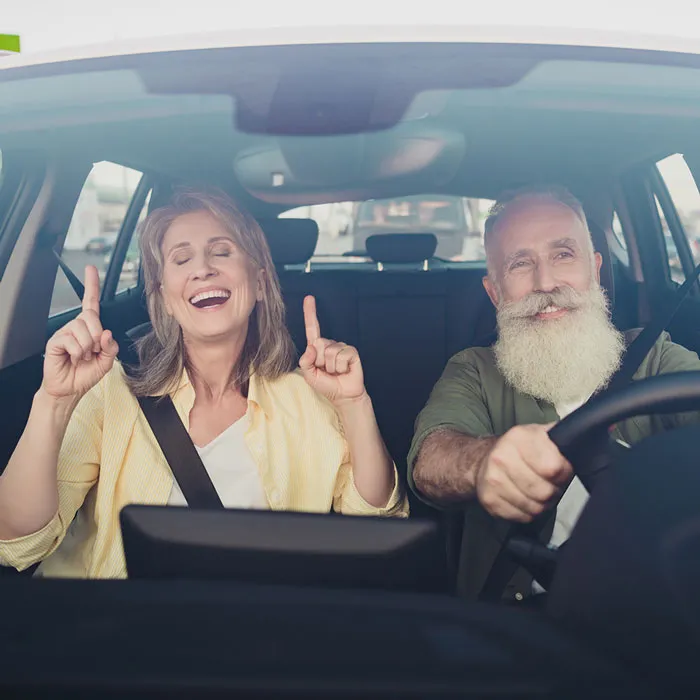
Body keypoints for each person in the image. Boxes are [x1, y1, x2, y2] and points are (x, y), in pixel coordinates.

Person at [0, 188, 407, 579]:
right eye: (181, 259)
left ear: (261, 282)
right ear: (162, 297)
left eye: (222, 252)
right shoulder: (109, 391)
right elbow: (17, 542)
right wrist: (53, 401)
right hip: (117, 635)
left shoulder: (310, 398)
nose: (202, 269)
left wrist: (355, 404)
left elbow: (376, 518)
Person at [408, 185, 700, 600]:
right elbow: (432, 458)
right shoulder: (473, 369)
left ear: (595, 270)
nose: (546, 282)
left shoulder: (655, 356)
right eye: (520, 263)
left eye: (564, 254)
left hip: (661, 606)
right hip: (519, 623)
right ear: (494, 292)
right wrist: (483, 463)